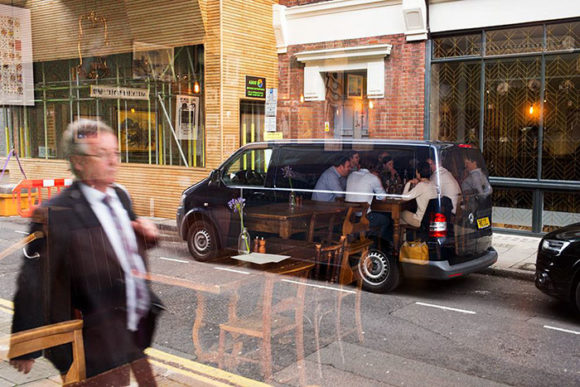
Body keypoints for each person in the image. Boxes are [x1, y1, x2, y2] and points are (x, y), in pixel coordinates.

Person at [10, 119, 162, 384]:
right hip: (89, 339)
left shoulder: (120, 196)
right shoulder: (57, 212)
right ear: (78, 162)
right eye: (102, 154)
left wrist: (147, 234)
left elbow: (121, 249)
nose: (113, 161)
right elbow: (33, 280)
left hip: (130, 326)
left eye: (115, 153)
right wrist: (26, 344)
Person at [345, 157, 391, 241]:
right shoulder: (372, 178)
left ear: (359, 166)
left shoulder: (351, 175)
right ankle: (372, 244)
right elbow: (383, 198)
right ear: (373, 168)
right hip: (365, 218)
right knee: (386, 220)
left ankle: (363, 239)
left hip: (350, 217)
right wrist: (378, 179)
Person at [400, 161, 438, 228]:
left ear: (418, 172)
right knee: (401, 221)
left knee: (398, 213)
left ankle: (403, 237)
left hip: (421, 220)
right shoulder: (433, 184)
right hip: (432, 218)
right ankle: (410, 237)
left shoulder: (421, 185)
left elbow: (404, 197)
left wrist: (408, 183)